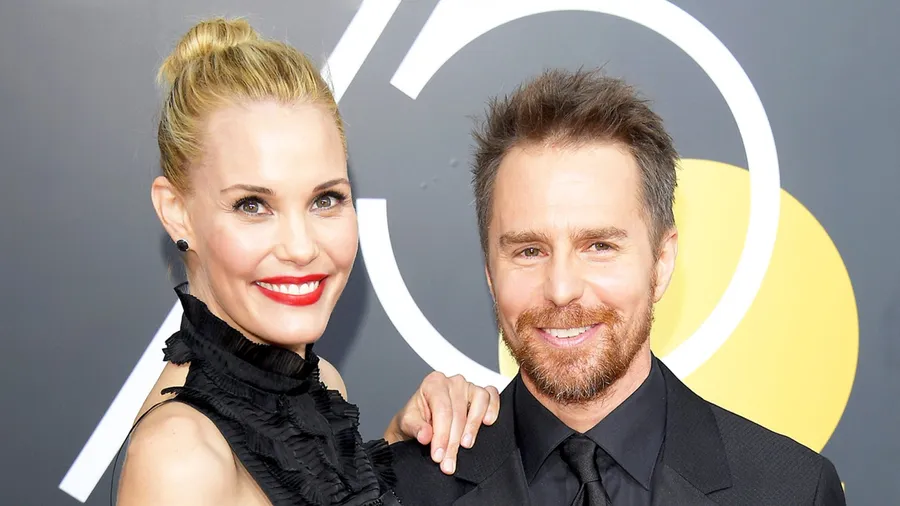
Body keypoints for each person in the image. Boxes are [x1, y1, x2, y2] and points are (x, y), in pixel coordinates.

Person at [390, 68, 847, 505]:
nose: (562, 288)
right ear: (491, 274)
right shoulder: (404, 488)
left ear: (661, 262)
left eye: (599, 246)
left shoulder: (792, 491)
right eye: (529, 251)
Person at [115, 18, 500, 506]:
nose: (300, 248)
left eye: (325, 200)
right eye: (252, 205)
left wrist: (403, 451)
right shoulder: (181, 460)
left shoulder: (320, 385)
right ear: (176, 212)